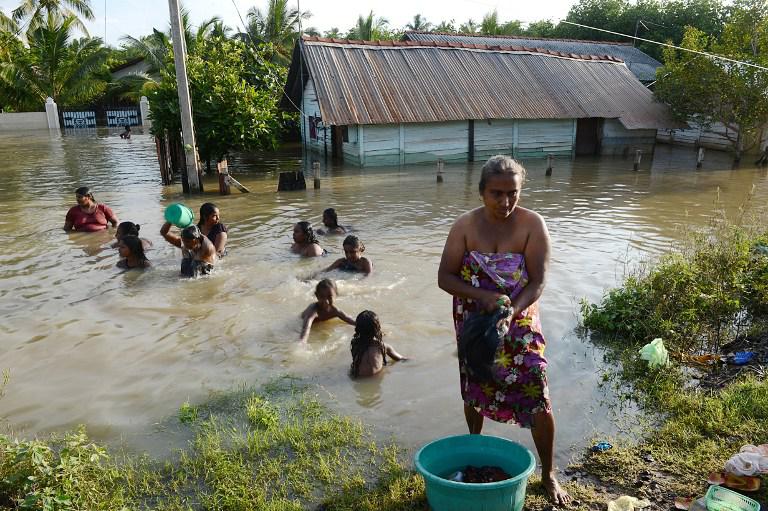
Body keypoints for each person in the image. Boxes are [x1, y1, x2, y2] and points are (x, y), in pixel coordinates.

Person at [437, 155, 570, 505]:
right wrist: (482, 297)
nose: (506, 202)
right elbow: (445, 278)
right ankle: (475, 445)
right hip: (475, 320)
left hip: (520, 315)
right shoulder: (464, 227)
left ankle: (548, 472)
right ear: (481, 192)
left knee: (536, 384)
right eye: (497, 193)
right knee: (475, 383)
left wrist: (512, 311)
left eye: (513, 193)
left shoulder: (532, 224)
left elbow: (538, 281)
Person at [350, 310, 407, 378]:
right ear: (377, 329)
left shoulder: (354, 344)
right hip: (374, 379)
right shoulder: (383, 346)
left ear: (358, 328)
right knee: (385, 367)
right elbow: (401, 359)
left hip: (356, 379)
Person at [298, 279, 356, 343]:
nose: (326, 301)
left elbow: (352, 321)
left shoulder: (335, 311)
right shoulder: (313, 310)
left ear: (336, 295)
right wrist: (302, 341)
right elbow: (306, 328)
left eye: (329, 297)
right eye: (322, 296)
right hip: (299, 323)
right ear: (316, 296)